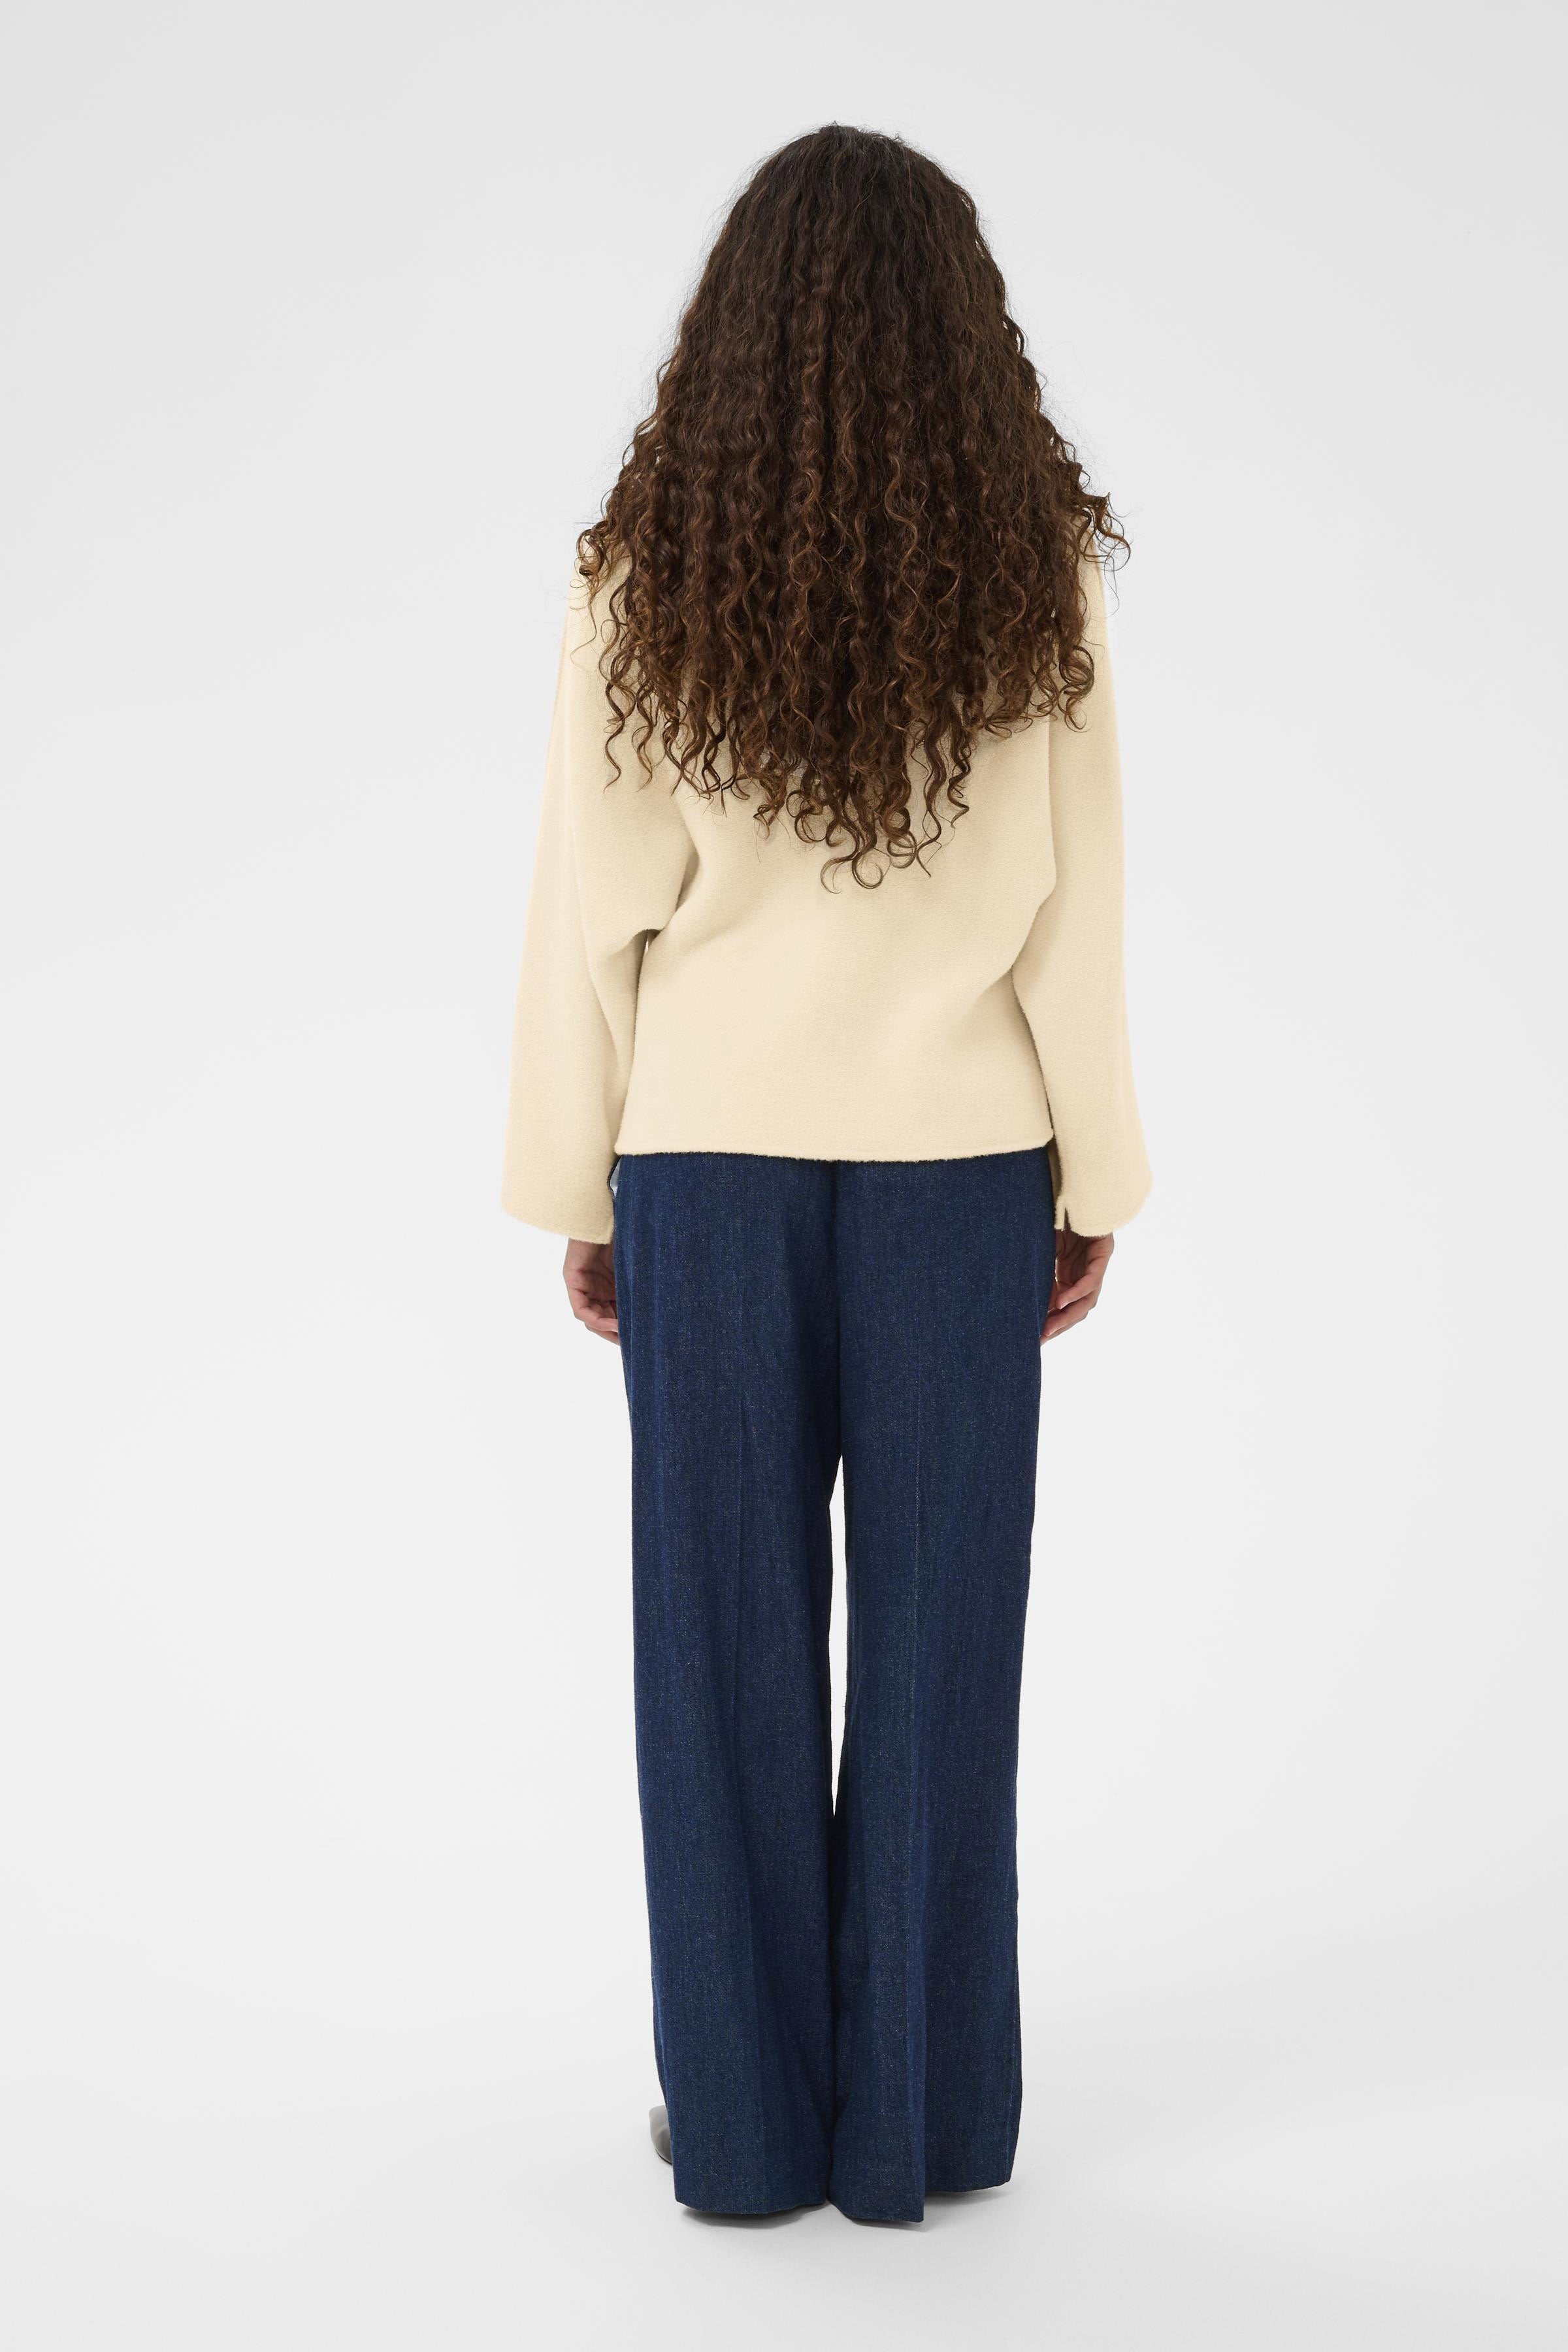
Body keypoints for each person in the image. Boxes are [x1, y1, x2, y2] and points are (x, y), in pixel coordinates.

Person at [502, 123, 1150, 2225]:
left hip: (707, 1166)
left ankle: (747, 2125)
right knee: (947, 1647)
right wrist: (1093, 1173)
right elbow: (1074, 917)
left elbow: (586, 913)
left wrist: (582, 1184)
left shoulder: (645, 578)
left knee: (717, 1653)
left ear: (735, 329)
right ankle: (924, 2124)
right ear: (968, 331)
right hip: (960, 1166)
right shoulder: (1032, 579)